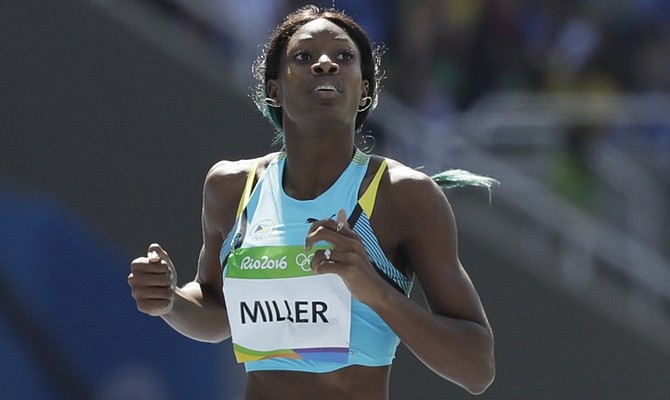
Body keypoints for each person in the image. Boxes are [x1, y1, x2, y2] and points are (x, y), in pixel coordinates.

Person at [128, 5, 495, 399]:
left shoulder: (403, 195)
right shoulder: (232, 188)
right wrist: (171, 301)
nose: (325, 64)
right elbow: (218, 310)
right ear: (274, 89)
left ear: (365, 91)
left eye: (344, 57)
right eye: (304, 56)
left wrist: (374, 290)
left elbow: (477, 368)